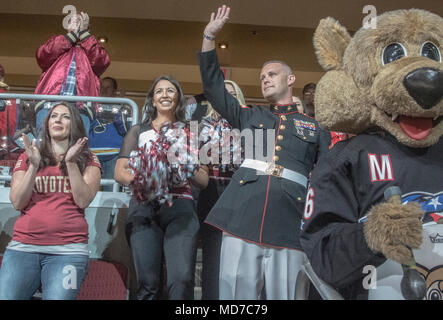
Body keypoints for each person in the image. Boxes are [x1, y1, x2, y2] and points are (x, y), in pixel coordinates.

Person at [198, 5, 330, 300]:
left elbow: (326, 173)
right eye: (262, 76)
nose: (265, 79)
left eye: (272, 74)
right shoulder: (253, 116)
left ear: (290, 79)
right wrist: (208, 36)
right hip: (243, 213)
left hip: (289, 219)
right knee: (235, 296)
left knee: (288, 294)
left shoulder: (314, 125)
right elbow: (213, 87)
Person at [114, 75, 209, 300]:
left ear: (178, 99)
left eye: (170, 91)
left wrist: (187, 164)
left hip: (181, 208)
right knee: (148, 283)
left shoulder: (193, 133)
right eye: (159, 91)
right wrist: (145, 180)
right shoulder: (138, 131)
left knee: (182, 279)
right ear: (153, 101)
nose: (164, 95)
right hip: (144, 207)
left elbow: (203, 180)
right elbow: (119, 172)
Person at [0, 102, 101, 300]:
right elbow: (18, 202)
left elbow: (82, 201)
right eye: (54, 116)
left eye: (65, 116)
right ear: (47, 123)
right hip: (23, 248)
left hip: (68, 251)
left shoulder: (88, 159)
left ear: (75, 124)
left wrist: (70, 163)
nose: (58, 120)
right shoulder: (28, 156)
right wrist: (33, 166)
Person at [197, 79, 247, 300]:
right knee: (213, 254)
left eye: (232, 94)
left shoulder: (250, 124)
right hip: (211, 191)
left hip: (241, 192)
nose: (227, 97)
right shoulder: (200, 126)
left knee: (240, 255)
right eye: (223, 93)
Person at [34, 11, 110, 136]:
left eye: (81, 23)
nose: (77, 26)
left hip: (81, 108)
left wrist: (85, 36)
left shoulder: (92, 47)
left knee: (79, 148)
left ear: (87, 28)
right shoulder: (57, 42)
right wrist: (71, 36)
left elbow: (102, 62)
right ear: (67, 26)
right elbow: (42, 56)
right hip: (49, 104)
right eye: (74, 22)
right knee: (44, 146)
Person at [89, 76, 129, 191]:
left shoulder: (123, 107)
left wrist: (117, 116)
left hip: (114, 155)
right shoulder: (91, 106)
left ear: (114, 91)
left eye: (108, 87)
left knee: (111, 194)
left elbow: (126, 131)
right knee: (89, 196)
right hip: (92, 156)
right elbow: (84, 130)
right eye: (101, 87)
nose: (104, 90)